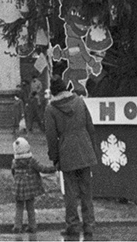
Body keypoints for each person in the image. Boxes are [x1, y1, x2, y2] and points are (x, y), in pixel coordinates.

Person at [45, 76, 97, 238]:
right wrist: (92, 150)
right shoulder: (80, 102)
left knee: (71, 192)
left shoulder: (51, 109)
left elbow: (51, 137)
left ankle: (73, 225)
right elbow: (90, 127)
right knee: (86, 190)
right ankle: (89, 225)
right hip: (84, 148)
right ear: (66, 88)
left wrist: (54, 157)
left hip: (66, 152)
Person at [10, 136, 56, 234]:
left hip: (19, 188)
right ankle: (32, 226)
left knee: (19, 208)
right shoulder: (31, 160)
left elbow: (13, 172)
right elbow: (42, 168)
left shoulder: (14, 162)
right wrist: (54, 168)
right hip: (30, 188)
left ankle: (17, 226)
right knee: (30, 207)